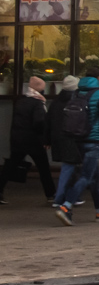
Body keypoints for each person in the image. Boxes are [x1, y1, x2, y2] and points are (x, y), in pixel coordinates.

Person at [55, 66, 99, 225]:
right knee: (86, 176)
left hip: (78, 140)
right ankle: (66, 207)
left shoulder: (76, 93)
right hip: (94, 142)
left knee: (94, 177)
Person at [0, 76, 55, 205]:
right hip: (33, 141)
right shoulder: (38, 103)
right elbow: (39, 122)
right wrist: (45, 138)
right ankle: (51, 194)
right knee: (43, 168)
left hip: (18, 139)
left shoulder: (21, 101)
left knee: (10, 166)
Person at [44, 76, 84, 209]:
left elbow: (48, 122)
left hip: (58, 138)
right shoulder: (75, 102)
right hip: (70, 138)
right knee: (69, 168)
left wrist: (47, 140)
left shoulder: (56, 102)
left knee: (70, 167)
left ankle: (69, 196)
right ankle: (61, 197)